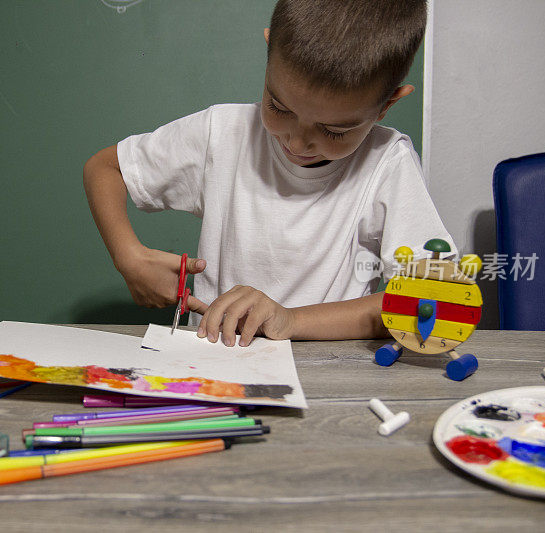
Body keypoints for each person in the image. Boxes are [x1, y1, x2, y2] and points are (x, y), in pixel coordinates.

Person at [83, 0, 454, 348]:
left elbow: (439, 300)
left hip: (331, 379)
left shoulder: (387, 163)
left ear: (387, 104)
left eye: (334, 131)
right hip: (214, 367)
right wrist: (128, 257)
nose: (298, 141)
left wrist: (291, 320)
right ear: (269, 48)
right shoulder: (223, 133)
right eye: (279, 107)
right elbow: (104, 168)